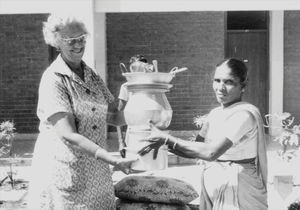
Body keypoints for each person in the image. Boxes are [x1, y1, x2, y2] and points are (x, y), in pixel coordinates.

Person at [27, 13, 137, 210]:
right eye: (70, 40)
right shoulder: (54, 79)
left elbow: (115, 116)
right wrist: (112, 159)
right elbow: (68, 134)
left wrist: (140, 93)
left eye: (81, 38)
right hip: (65, 172)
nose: (78, 45)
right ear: (56, 42)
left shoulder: (91, 74)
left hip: (97, 174)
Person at [145, 58, 268, 210]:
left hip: (239, 188)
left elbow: (211, 153)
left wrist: (168, 139)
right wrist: (163, 143)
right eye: (217, 80)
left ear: (243, 86)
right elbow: (197, 150)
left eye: (229, 82)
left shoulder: (244, 115)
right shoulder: (215, 114)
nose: (220, 88)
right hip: (215, 184)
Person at [117, 55, 151, 157]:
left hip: (151, 134)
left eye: (143, 68)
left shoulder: (153, 86)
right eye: (136, 68)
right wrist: (121, 142)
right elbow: (118, 115)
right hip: (133, 134)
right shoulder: (126, 87)